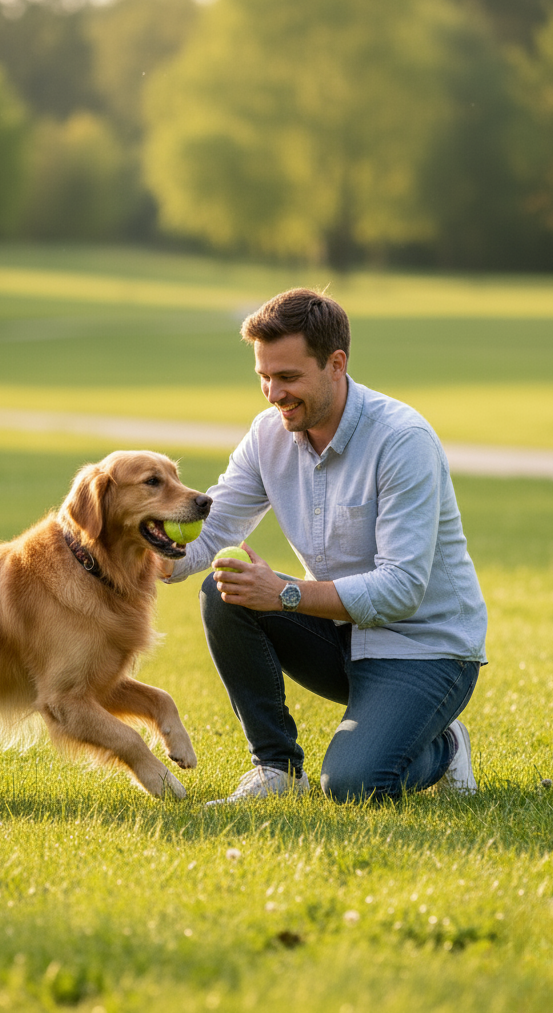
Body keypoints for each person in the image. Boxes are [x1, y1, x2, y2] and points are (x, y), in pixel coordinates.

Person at [161, 288, 487, 804]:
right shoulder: (268, 434)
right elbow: (216, 523)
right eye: (263, 377)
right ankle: (276, 768)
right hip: (343, 638)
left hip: (425, 649)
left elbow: (402, 589)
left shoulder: (402, 441)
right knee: (224, 590)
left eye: (287, 377)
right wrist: (155, 555)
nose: (272, 393)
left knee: (355, 785)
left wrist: (285, 594)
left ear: (336, 364)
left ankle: (444, 745)